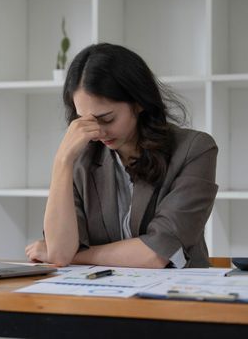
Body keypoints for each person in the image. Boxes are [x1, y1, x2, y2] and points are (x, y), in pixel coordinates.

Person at [25, 43, 218, 268]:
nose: (98, 132)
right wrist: (62, 162)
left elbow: (157, 255)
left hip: (176, 296)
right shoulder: (81, 158)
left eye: (107, 119)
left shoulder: (195, 150)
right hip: (101, 295)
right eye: (84, 120)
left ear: (138, 103)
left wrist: (74, 256)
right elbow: (59, 253)